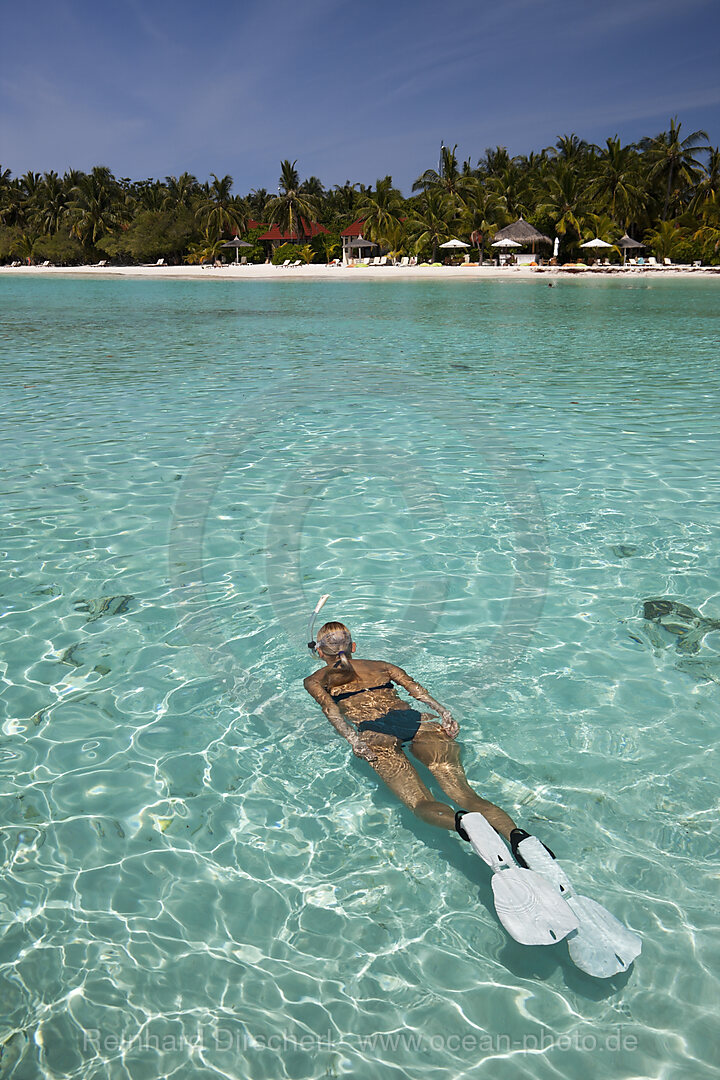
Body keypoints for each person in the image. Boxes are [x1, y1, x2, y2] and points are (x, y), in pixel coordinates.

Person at [303, 620, 522, 844]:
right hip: (416, 721)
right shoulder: (382, 665)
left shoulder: (314, 681)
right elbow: (418, 692)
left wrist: (353, 740)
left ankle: (462, 824)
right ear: (354, 646)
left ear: (320, 652)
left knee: (419, 804)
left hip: (375, 733)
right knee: (465, 794)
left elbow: (331, 710)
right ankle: (518, 837)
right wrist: (444, 713)